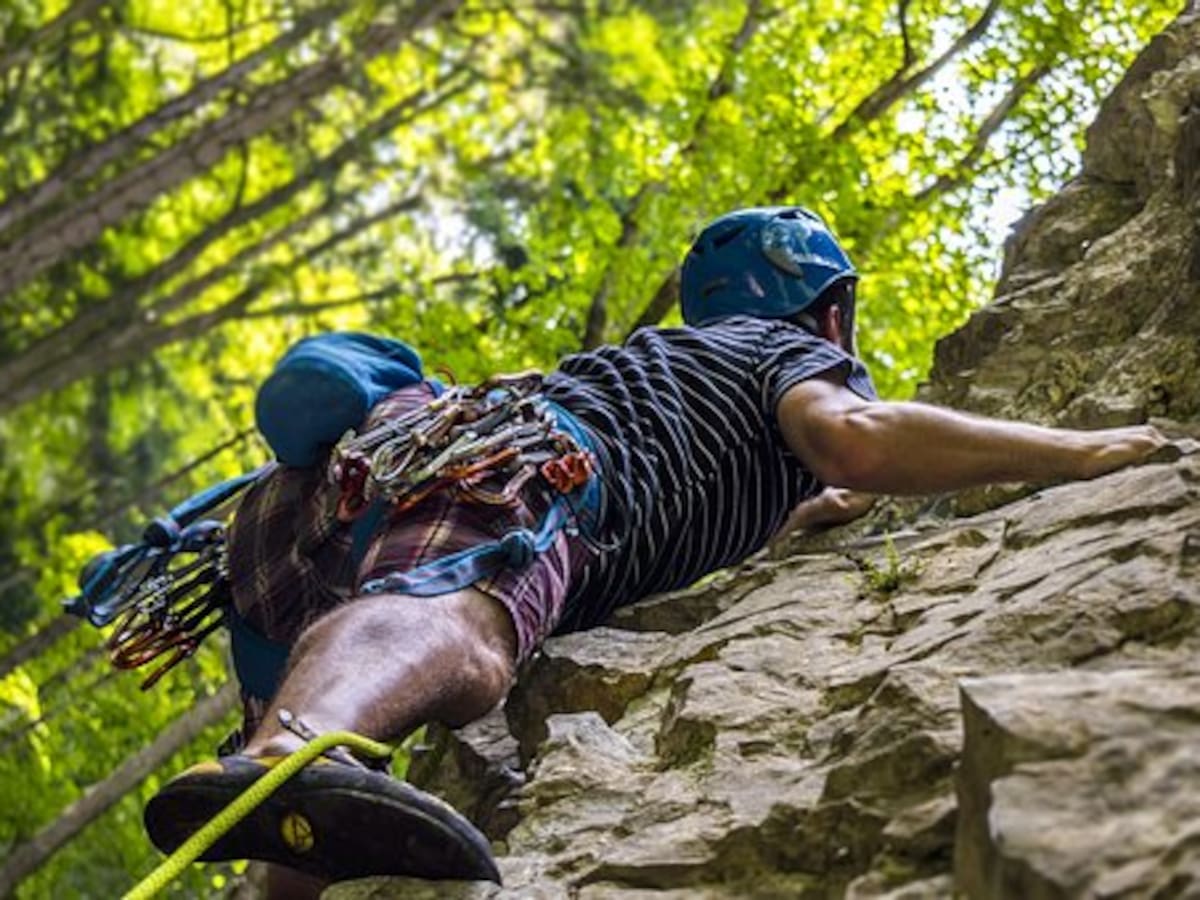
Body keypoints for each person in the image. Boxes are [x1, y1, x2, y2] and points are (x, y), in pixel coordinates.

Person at [144, 206, 1165, 897]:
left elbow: (763, 495)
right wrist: (1085, 451)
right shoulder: (785, 354)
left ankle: (279, 822)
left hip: (300, 524)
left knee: (323, 783)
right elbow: (855, 436)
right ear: (830, 311)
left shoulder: (682, 379)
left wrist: (805, 516)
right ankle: (288, 751)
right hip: (521, 464)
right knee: (469, 624)